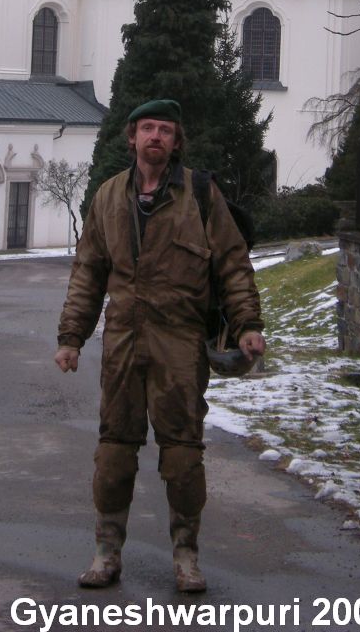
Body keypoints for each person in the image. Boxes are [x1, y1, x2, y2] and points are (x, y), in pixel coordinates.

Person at [54, 98, 266, 593]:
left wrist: (247, 324)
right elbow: (88, 272)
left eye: (165, 130)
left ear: (176, 141)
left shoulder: (200, 195)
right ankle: (107, 552)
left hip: (179, 344)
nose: (155, 137)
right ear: (131, 138)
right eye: (147, 128)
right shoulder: (108, 197)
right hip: (124, 342)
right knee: (113, 454)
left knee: (182, 458)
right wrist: (71, 337)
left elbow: (232, 264)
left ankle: (186, 556)